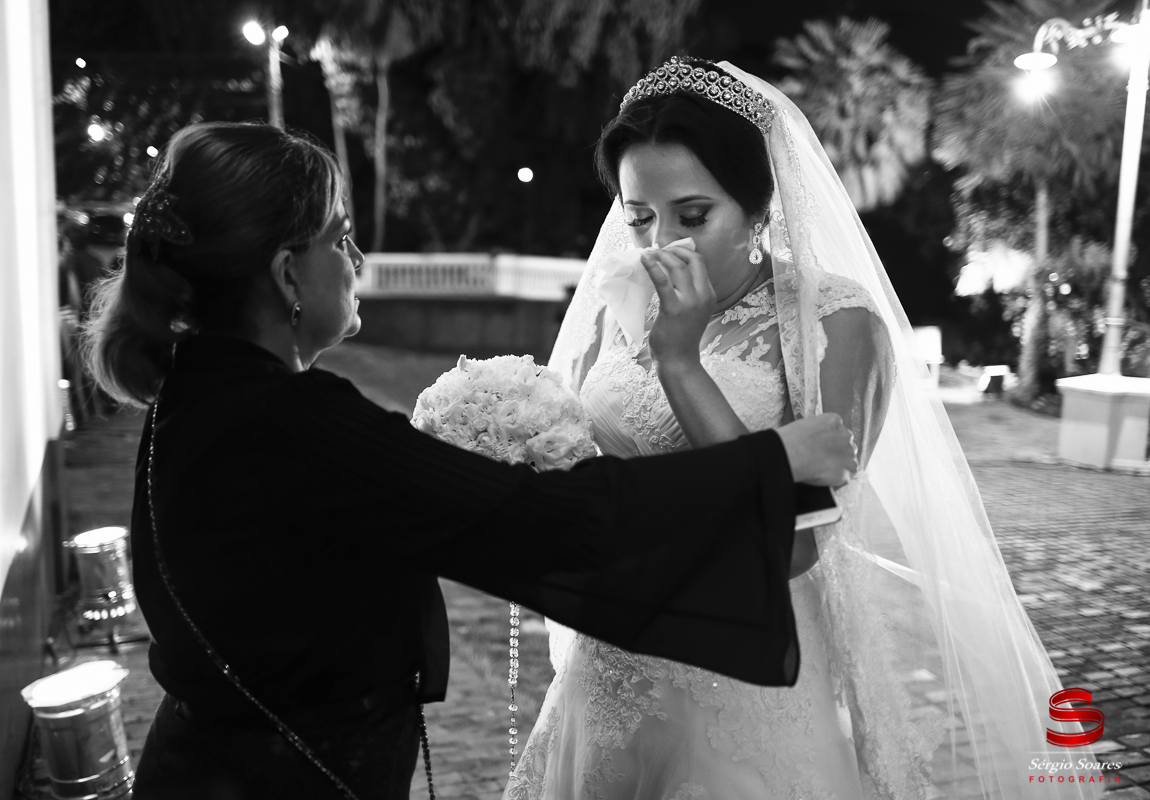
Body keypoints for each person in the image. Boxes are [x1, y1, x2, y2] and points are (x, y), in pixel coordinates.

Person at [80, 121, 857, 800]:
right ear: (288, 274)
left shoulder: (199, 386)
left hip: (221, 763)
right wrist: (774, 457)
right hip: (275, 777)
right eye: (340, 238)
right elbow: (555, 522)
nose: (357, 257)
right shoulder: (292, 419)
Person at [505, 57, 1103, 799]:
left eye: (694, 216)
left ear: (760, 209)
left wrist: (681, 363)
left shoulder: (838, 325)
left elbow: (792, 543)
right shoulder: (614, 308)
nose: (661, 244)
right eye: (638, 218)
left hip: (747, 674)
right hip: (616, 661)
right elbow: (581, 477)